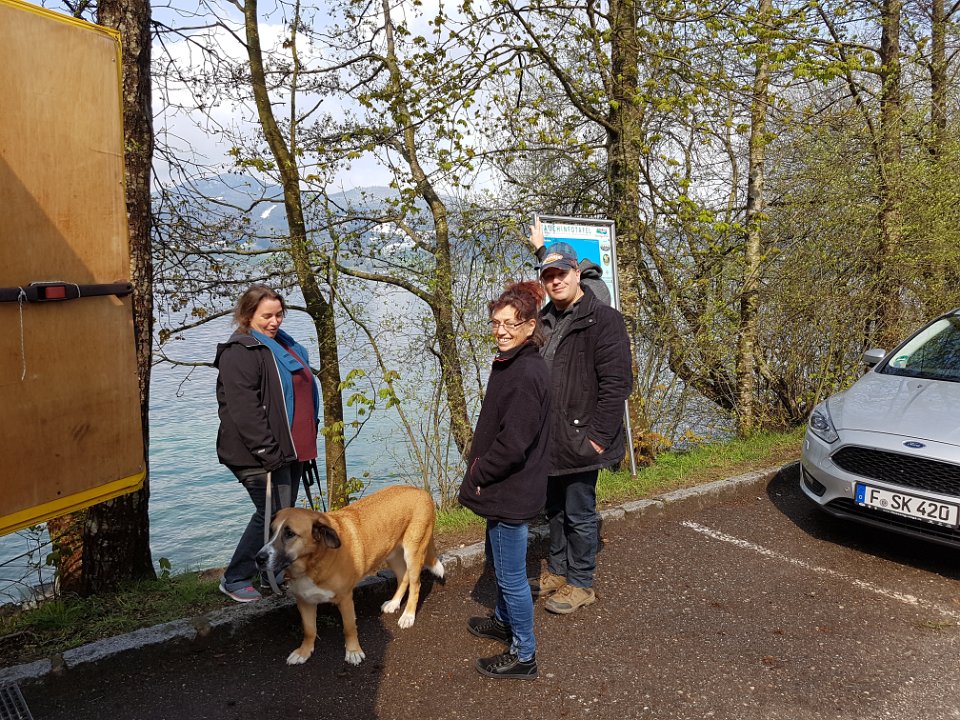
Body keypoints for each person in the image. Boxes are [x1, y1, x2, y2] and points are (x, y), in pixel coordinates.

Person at [526, 218, 633, 615]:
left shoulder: (603, 319)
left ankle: (582, 582)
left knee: (579, 512)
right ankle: (557, 570)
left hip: (582, 437)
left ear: (577, 273)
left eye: (561, 273)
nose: (555, 281)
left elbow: (617, 384)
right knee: (554, 509)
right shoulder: (544, 321)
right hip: (549, 439)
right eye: (548, 275)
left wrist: (598, 438)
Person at [459, 281, 552, 681]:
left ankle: (524, 654)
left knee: (511, 576)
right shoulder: (512, 362)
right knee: (500, 562)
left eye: (510, 324)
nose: (501, 330)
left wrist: (479, 473)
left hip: (509, 488)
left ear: (530, 326)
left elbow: (514, 443)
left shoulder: (526, 372)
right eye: (496, 323)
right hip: (508, 486)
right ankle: (502, 621)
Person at [214, 285, 320, 603]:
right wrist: (267, 451)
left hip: (291, 449)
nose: (274, 322)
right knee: (271, 513)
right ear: (247, 316)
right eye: (266, 316)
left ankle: (270, 571)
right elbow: (244, 410)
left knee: (283, 514)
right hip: (255, 452)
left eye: (278, 315)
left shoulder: (285, 346)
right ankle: (235, 577)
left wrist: (305, 443)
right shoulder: (240, 352)